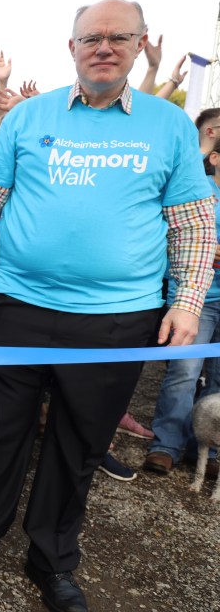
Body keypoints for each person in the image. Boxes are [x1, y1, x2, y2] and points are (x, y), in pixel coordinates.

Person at [0, 0, 215, 612]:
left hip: (118, 316)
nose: (103, 47)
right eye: (91, 38)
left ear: (137, 47)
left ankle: (51, 559)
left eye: (118, 38)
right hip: (16, 304)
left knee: (79, 443)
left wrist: (186, 303)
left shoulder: (168, 126)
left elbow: (192, 223)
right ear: (72, 46)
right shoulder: (30, 116)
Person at [144, 137, 220, 479]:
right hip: (197, 299)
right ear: (215, 159)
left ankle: (208, 448)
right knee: (184, 372)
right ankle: (166, 445)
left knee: (218, 378)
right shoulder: (195, 187)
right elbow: (174, 234)